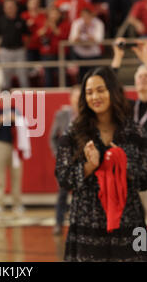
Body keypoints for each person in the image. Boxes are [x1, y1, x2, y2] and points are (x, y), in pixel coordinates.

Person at [55, 67, 147, 262]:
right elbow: (63, 178)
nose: (95, 97)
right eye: (89, 92)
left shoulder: (135, 132)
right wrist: (89, 166)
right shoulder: (73, 133)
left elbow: (146, 179)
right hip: (86, 224)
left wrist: (124, 166)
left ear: (113, 91)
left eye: (101, 90)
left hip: (131, 223)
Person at [0, 91, 31, 214]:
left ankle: (17, 204)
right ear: (0, 99)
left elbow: (25, 124)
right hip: (0, 145)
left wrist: (14, 118)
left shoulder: (15, 111)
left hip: (14, 147)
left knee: (16, 176)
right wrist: (0, 120)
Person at [50, 85, 80, 235]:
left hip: (83, 162)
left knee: (81, 194)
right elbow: (52, 138)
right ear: (71, 98)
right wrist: (59, 155)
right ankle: (58, 223)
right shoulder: (61, 115)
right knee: (62, 193)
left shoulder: (90, 116)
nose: (78, 99)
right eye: (76, 96)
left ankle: (79, 224)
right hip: (66, 162)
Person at [0, 0, 30, 89]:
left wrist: (24, 47)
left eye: (12, 7)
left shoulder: (21, 20)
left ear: (16, 8)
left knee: (23, 76)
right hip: (5, 51)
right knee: (5, 78)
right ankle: (6, 99)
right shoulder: (0, 21)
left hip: (19, 51)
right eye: (8, 7)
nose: (10, 9)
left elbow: (28, 35)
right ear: (4, 9)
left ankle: (27, 99)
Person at [69, 8, 105, 83]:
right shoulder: (77, 23)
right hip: (79, 54)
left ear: (91, 15)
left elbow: (99, 39)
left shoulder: (98, 23)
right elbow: (71, 40)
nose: (85, 18)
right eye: (83, 16)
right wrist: (78, 35)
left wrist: (89, 33)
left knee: (95, 76)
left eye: (87, 16)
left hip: (94, 55)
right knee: (81, 78)